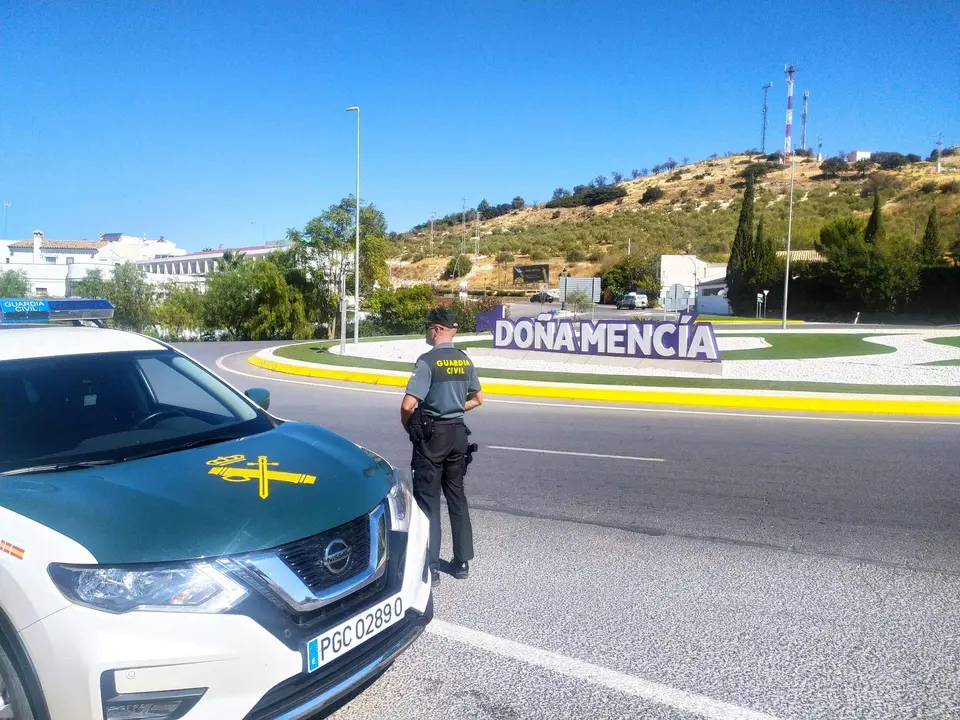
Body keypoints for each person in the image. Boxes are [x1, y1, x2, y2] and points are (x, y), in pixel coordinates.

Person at [400, 307, 483, 587]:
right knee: (457, 498)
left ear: (436, 329)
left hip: (432, 437)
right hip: (458, 433)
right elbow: (478, 399)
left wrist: (411, 428)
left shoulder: (427, 362)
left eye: (428, 327)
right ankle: (462, 562)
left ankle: (431, 567)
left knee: (428, 503)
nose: (427, 331)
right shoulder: (464, 360)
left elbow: (408, 405)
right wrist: (455, 408)